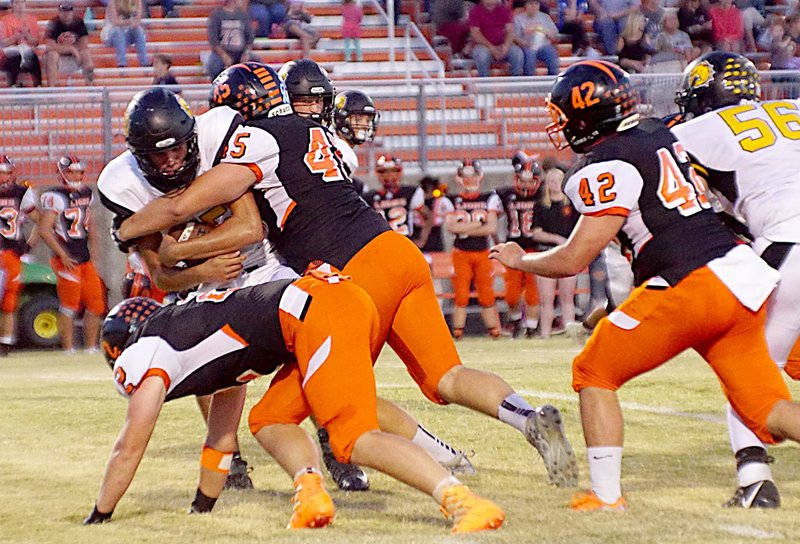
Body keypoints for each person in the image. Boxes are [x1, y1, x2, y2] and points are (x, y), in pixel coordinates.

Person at [114, 61, 579, 489]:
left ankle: (439, 472)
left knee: (296, 405)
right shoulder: (315, 133)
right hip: (397, 252)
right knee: (446, 376)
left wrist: (129, 226)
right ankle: (526, 418)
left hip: (353, 272)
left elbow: (181, 205)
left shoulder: (253, 140)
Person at [491, 60, 800, 512]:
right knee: (765, 407)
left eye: (561, 116)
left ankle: (605, 496)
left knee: (593, 371)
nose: (556, 126)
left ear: (584, 116)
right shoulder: (661, 135)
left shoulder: (603, 165)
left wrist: (523, 259)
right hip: (742, 277)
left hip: (689, 282)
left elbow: (577, 256)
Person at [85, 280, 506, 534]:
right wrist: (201, 506)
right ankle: (312, 495)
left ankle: (463, 500)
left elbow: (130, 446)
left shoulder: (147, 350)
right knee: (268, 420)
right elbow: (221, 437)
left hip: (315, 311)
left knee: (353, 437)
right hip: (327, 304)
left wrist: (101, 513)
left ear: (120, 348)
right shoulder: (203, 346)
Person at [274, 63, 479, 484]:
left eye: (318, 100)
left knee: (328, 378)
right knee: (331, 378)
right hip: (311, 263)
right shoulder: (282, 140)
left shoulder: (324, 146)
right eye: (304, 100)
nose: (312, 108)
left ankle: (348, 457)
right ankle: (436, 455)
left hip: (336, 270)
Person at [98, 87, 292, 490]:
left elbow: (249, 228)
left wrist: (181, 251)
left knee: (307, 343)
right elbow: (161, 276)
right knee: (211, 372)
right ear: (139, 155)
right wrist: (204, 269)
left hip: (268, 264)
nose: (170, 161)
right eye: (158, 154)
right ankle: (229, 459)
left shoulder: (216, 137)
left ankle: (332, 442)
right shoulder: (124, 184)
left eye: (176, 149)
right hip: (204, 283)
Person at [671, 51, 800, 508]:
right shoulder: (792, 109)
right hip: (786, 234)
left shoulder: (693, 130)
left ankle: (755, 479)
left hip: (790, 243)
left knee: (746, 366)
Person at [38, 156, 105, 353]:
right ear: (62, 174)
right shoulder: (55, 196)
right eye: (72, 172)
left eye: (79, 172)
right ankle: (68, 350)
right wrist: (62, 254)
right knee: (69, 305)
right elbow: (44, 229)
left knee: (96, 305)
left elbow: (90, 224)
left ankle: (91, 348)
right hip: (66, 258)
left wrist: (94, 251)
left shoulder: (86, 193)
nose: (77, 176)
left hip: (84, 257)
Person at [442, 159, 504, 339]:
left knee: (486, 294)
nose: (469, 180)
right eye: (465, 176)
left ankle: (495, 332)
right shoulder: (451, 199)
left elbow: (491, 228)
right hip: (461, 253)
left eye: (473, 175)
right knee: (461, 295)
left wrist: (466, 228)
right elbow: (451, 228)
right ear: (459, 178)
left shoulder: (489, 198)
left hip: (483, 252)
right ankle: (458, 333)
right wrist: (479, 223)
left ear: (480, 176)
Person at [497, 151, 543, 338]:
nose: (525, 184)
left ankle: (531, 327)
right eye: (522, 180)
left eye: (530, 180)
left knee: (532, 289)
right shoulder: (504, 195)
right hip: (514, 247)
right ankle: (516, 319)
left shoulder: (542, 196)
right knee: (512, 292)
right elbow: (493, 215)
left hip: (535, 248)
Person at [531, 167, 579, 338]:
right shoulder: (541, 206)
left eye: (558, 181)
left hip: (567, 254)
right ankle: (545, 334)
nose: (555, 184)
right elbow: (536, 232)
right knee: (547, 299)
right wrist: (556, 238)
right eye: (552, 181)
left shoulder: (572, 205)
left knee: (567, 298)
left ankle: (570, 332)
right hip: (547, 253)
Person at [0, 155, 35, 356]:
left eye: (6, 172)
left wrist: (28, 245)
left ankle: (5, 343)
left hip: (11, 252)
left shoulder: (21, 193)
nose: (4, 177)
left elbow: (41, 221)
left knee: (9, 300)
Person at [366, 154, 433, 249]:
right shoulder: (369, 197)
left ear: (399, 172)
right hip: (381, 246)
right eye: (384, 172)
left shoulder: (410, 192)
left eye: (393, 171)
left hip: (404, 243)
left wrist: (422, 240)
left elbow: (428, 216)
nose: (388, 176)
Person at [468, 0, 524, 77]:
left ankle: (515, 82)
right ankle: (485, 83)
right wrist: (491, 48)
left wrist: (506, 46)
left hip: (503, 44)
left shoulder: (504, 10)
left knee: (517, 53)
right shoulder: (475, 11)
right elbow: (475, 33)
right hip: (483, 46)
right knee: (481, 55)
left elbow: (510, 31)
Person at [44, 2, 93, 86]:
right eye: (63, 11)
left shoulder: (78, 23)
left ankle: (90, 84)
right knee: (51, 55)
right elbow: (50, 45)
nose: (66, 14)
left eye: (68, 11)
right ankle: (51, 88)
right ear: (59, 12)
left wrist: (76, 52)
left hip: (76, 58)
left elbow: (84, 43)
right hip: (59, 59)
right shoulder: (53, 24)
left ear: (72, 12)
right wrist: (71, 49)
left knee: (86, 53)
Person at [206, 0, 253, 80]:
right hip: (222, 52)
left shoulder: (243, 15)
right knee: (214, 65)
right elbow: (213, 40)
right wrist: (224, 55)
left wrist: (246, 53)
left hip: (240, 52)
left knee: (256, 63)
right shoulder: (216, 15)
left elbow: (250, 37)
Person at [514, 0, 560, 76]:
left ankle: (553, 77)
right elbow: (515, 36)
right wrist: (523, 42)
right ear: (525, 5)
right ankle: (529, 79)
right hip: (527, 46)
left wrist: (546, 31)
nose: (533, 6)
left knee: (551, 52)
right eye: (530, 4)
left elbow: (554, 35)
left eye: (536, 4)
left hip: (543, 46)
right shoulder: (518, 18)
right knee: (530, 54)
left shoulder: (545, 17)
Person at [0, 0, 40, 86]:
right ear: (12, 5)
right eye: (17, 3)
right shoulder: (4, 20)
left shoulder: (32, 19)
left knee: (31, 55)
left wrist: (27, 35)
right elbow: (2, 43)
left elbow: (36, 42)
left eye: (22, 2)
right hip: (8, 53)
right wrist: (15, 38)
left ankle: (38, 85)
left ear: (25, 4)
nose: (20, 5)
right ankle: (13, 85)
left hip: (26, 50)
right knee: (14, 55)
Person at [102, 0, 149, 68]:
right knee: (118, 31)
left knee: (138, 30)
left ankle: (144, 62)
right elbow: (115, 22)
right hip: (110, 34)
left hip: (126, 33)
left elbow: (137, 20)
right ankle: (122, 63)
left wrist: (133, 24)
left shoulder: (137, 2)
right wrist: (129, 22)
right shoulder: (113, 2)